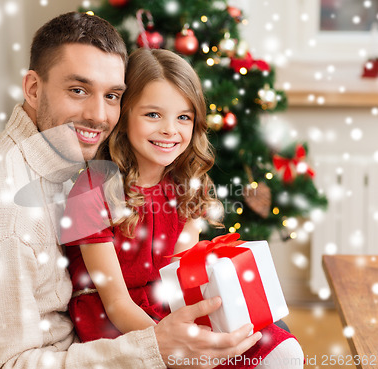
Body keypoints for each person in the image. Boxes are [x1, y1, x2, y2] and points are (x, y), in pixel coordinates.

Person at [0, 11, 262, 369]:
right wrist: (156, 347)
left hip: (94, 343)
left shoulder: (69, 165)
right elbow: (8, 365)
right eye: (78, 90)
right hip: (82, 353)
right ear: (33, 88)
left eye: (112, 96)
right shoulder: (0, 205)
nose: (99, 115)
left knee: (261, 335)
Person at [61, 48, 305, 369]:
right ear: (124, 114)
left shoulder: (184, 184)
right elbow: (117, 303)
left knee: (280, 349)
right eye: (153, 115)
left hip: (167, 306)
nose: (170, 130)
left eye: (183, 117)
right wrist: (177, 346)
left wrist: (220, 320)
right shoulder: (92, 191)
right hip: (117, 323)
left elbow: (182, 280)